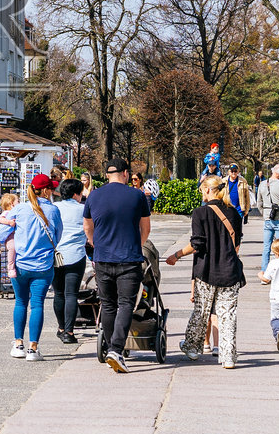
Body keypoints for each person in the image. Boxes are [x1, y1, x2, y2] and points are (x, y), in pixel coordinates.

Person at [166, 176, 245, 368]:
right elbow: (237, 244)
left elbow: (197, 244)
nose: (201, 194)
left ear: (209, 190)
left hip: (206, 271)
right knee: (228, 315)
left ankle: (193, 347)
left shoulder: (200, 213)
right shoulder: (234, 214)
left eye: (202, 190)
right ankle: (227, 356)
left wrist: (176, 255)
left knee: (201, 312)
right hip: (230, 271)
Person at [83, 158, 151, 373]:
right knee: (126, 304)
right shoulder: (137, 195)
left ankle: (111, 345)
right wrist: (136, 245)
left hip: (102, 259)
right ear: (125, 173)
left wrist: (97, 244)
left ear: (107, 175)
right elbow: (145, 228)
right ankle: (116, 349)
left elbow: (87, 226)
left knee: (108, 304)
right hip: (129, 258)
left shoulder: (94, 195)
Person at [8, 175, 62, 362]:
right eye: (51, 188)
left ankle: (18, 344)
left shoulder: (20, 209)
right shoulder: (53, 210)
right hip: (43, 265)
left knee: (20, 303)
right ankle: (33, 348)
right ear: (46, 190)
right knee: (37, 304)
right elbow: (58, 236)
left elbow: (4, 228)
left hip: (20, 264)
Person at [51, 178, 88, 344]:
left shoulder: (54, 208)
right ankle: (69, 331)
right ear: (75, 194)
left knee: (58, 293)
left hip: (56, 255)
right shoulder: (83, 209)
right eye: (80, 193)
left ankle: (60, 328)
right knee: (71, 294)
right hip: (76, 255)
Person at [255, 164, 279, 273]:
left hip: (268, 218)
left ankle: (265, 271)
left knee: (266, 247)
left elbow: (259, 203)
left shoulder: (262, 184)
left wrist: (265, 214)